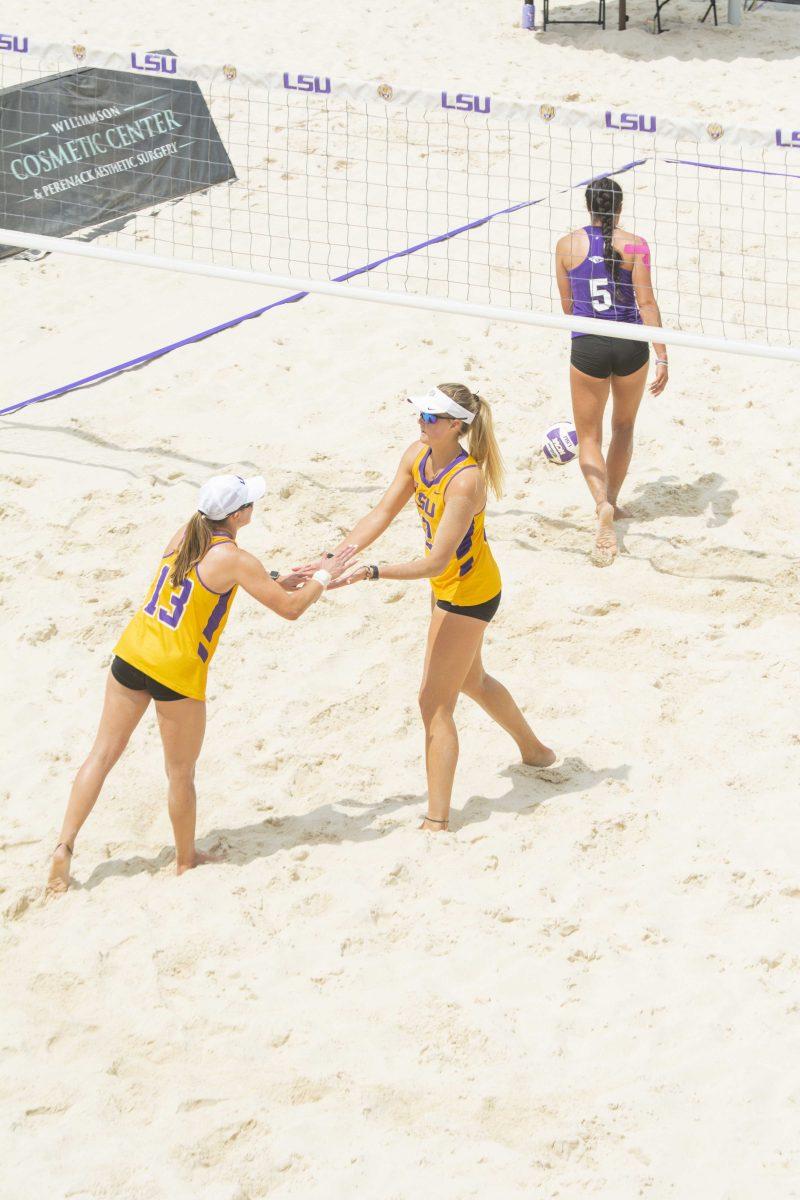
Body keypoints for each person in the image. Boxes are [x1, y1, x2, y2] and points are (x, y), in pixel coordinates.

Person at [46, 474, 355, 893]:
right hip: (176, 671)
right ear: (238, 515)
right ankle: (186, 861)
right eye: (249, 503)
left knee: (100, 755)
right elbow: (291, 610)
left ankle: (64, 846)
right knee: (180, 774)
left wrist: (270, 579)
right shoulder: (236, 558)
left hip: (133, 652)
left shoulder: (185, 533)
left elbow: (206, 582)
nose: (253, 507)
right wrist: (322, 575)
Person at [301, 385, 555, 832]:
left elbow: (436, 560)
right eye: (420, 414)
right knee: (472, 681)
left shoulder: (465, 480)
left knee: (433, 701)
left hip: (469, 594)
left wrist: (371, 572)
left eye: (431, 417)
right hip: (450, 586)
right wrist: (333, 558)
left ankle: (437, 820)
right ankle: (535, 752)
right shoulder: (417, 455)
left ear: (456, 425)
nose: (421, 422)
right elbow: (380, 514)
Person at [555, 175, 669, 564]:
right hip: (630, 344)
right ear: (619, 207)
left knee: (588, 436)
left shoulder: (566, 245)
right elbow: (647, 302)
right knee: (623, 426)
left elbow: (568, 307)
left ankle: (600, 502)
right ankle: (614, 502)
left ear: (588, 206)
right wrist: (662, 355)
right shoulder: (635, 244)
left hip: (588, 343)